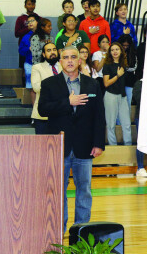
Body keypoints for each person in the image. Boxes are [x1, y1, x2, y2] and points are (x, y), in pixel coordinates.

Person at [38, 46, 105, 232]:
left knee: (84, 189)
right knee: (59, 190)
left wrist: (99, 143)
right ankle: (59, 229)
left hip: (85, 146)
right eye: (65, 57)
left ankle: (80, 230)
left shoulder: (92, 85)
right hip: (59, 147)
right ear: (60, 61)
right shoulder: (49, 83)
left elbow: (100, 116)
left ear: (80, 60)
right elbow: (43, 109)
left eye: (73, 57)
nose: (69, 60)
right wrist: (67, 102)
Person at [103, 42, 132, 145]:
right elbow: (106, 83)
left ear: (121, 51)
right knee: (111, 125)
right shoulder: (107, 65)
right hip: (111, 96)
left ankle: (127, 148)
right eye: (112, 50)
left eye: (117, 49)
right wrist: (118, 75)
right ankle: (113, 148)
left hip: (122, 96)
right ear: (110, 52)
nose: (115, 52)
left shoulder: (124, 64)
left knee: (127, 124)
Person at [31, 43, 61, 135]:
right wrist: (57, 88)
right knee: (42, 146)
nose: (52, 52)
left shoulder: (64, 66)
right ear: (43, 54)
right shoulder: (37, 67)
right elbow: (36, 87)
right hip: (42, 115)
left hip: (61, 113)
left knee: (60, 146)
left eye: (54, 50)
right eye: (49, 50)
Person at [14, 0, 41, 84]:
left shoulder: (38, 18)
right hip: (25, 47)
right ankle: (25, 86)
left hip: (37, 48)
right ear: (25, 5)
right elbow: (17, 33)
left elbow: (42, 30)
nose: (31, 6)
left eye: (33, 4)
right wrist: (28, 28)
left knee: (38, 67)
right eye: (29, 4)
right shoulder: (21, 18)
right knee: (25, 67)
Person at [132, 79, 147, 177]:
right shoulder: (139, 83)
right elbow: (138, 98)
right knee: (141, 141)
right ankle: (140, 167)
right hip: (141, 116)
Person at [18, 15, 39, 89]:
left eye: (32, 21)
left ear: (37, 22)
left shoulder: (43, 35)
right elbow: (21, 51)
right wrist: (28, 49)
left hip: (41, 64)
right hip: (29, 64)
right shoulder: (26, 37)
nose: (30, 23)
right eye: (28, 22)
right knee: (30, 86)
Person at [117, 34, 138, 108]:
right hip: (118, 80)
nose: (125, 47)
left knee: (128, 101)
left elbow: (134, 67)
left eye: (127, 46)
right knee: (118, 102)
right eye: (123, 45)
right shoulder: (116, 52)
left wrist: (124, 68)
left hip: (129, 80)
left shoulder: (132, 53)